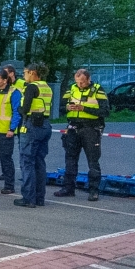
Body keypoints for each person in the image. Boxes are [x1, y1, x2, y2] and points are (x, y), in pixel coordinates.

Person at [55, 69, 109, 201]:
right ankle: (68, 188)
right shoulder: (71, 89)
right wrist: (67, 108)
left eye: (83, 82)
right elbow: (60, 107)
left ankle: (93, 191)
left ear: (89, 79)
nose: (80, 84)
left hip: (91, 129)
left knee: (93, 161)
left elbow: (105, 111)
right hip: (73, 127)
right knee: (70, 159)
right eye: (77, 82)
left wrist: (83, 108)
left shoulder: (98, 90)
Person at [14, 63, 53, 208]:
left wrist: (18, 109)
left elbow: (25, 109)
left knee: (27, 162)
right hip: (45, 124)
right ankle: (39, 198)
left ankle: (28, 198)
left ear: (32, 72)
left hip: (32, 125)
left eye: (25, 72)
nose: (23, 75)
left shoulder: (31, 87)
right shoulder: (46, 87)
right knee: (39, 162)